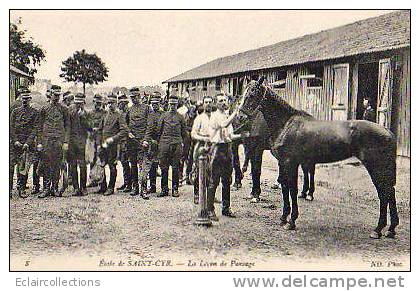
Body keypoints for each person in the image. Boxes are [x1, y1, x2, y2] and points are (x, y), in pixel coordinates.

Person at [206, 93, 247, 220]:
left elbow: (229, 136)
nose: (223, 102)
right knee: (214, 181)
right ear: (216, 103)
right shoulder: (216, 116)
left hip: (227, 149)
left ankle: (226, 208)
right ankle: (210, 210)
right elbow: (223, 125)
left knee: (227, 181)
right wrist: (235, 113)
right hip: (217, 150)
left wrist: (242, 136)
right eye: (220, 101)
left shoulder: (226, 116)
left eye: (225, 100)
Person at [36, 85, 70, 198]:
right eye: (55, 95)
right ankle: (46, 188)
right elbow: (39, 127)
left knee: (56, 164)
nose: (56, 97)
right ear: (50, 94)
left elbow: (67, 126)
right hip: (46, 140)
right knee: (46, 164)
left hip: (59, 140)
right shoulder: (44, 109)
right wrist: (39, 143)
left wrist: (65, 142)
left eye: (58, 95)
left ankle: (54, 188)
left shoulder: (64, 109)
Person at [10, 86, 38, 198]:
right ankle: (9, 190)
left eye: (27, 98)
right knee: (10, 167)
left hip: (27, 143)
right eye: (23, 98)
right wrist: (15, 140)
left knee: (23, 167)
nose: (25, 100)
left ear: (30, 99)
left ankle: (21, 189)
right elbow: (10, 127)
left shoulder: (34, 113)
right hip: (15, 143)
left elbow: (35, 128)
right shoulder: (15, 112)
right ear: (21, 99)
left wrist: (28, 142)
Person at [97, 93, 128, 195]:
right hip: (103, 144)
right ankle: (103, 186)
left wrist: (113, 139)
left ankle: (111, 187)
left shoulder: (119, 116)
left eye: (112, 103)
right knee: (102, 165)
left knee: (112, 165)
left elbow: (124, 131)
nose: (110, 105)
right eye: (109, 103)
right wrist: (99, 143)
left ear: (116, 103)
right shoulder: (105, 115)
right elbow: (100, 129)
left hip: (113, 145)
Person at [156, 95, 187, 197]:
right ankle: (164, 189)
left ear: (177, 104)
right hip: (164, 144)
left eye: (174, 104)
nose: (172, 106)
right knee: (164, 168)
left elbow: (184, 133)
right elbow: (159, 131)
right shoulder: (164, 116)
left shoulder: (181, 117)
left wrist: (180, 143)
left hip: (176, 144)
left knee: (175, 167)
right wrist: (160, 144)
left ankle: (175, 188)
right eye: (171, 104)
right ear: (168, 104)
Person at [126, 87, 150, 196]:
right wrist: (128, 132)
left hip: (142, 141)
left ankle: (143, 189)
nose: (133, 99)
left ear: (139, 96)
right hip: (132, 142)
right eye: (131, 97)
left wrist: (146, 139)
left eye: (135, 97)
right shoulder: (129, 110)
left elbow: (150, 126)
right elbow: (125, 124)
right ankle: (135, 187)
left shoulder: (147, 108)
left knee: (143, 166)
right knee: (133, 165)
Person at [190, 96, 213, 204]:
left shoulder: (216, 117)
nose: (208, 104)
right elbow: (193, 134)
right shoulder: (199, 118)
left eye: (210, 102)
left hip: (214, 145)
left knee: (212, 172)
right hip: (201, 145)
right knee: (200, 171)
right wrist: (204, 138)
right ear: (203, 104)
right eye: (206, 102)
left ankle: (210, 195)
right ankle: (197, 194)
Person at [141, 91, 164, 198]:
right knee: (147, 165)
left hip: (161, 142)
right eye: (153, 103)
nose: (155, 105)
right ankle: (145, 188)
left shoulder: (164, 114)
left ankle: (155, 186)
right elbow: (148, 130)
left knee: (159, 165)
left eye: (157, 103)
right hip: (150, 143)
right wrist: (146, 140)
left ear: (160, 103)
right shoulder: (149, 115)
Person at [68, 93, 90, 196]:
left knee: (82, 166)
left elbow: (89, 128)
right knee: (73, 165)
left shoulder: (86, 113)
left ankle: (83, 187)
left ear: (83, 103)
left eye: (80, 103)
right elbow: (67, 126)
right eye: (76, 103)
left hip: (82, 142)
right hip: (72, 142)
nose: (78, 105)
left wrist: (83, 117)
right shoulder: (70, 112)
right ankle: (76, 187)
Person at [86, 94, 106, 188]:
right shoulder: (90, 113)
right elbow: (87, 125)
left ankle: (102, 183)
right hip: (92, 139)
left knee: (101, 160)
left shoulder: (105, 113)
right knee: (92, 160)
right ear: (93, 102)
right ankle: (93, 180)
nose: (97, 104)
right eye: (96, 102)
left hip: (101, 139)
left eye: (99, 103)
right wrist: (91, 129)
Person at [116, 93, 132, 193]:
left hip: (127, 141)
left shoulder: (128, 113)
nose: (120, 105)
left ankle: (129, 184)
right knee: (123, 162)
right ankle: (126, 183)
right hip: (121, 141)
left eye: (121, 103)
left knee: (126, 162)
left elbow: (128, 127)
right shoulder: (120, 113)